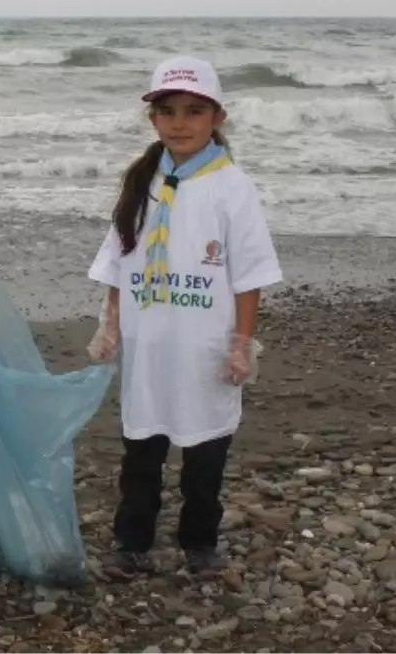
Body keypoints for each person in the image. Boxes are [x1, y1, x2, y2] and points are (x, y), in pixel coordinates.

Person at [86, 56, 283, 581]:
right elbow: (118, 259)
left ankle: (200, 542)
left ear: (217, 116)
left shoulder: (231, 186)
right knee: (142, 453)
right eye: (168, 111)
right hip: (149, 346)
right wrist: (110, 322)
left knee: (204, 453)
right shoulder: (141, 181)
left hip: (204, 346)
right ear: (152, 119)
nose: (180, 122)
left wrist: (241, 341)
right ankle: (131, 543)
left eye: (195, 110)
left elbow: (249, 273)